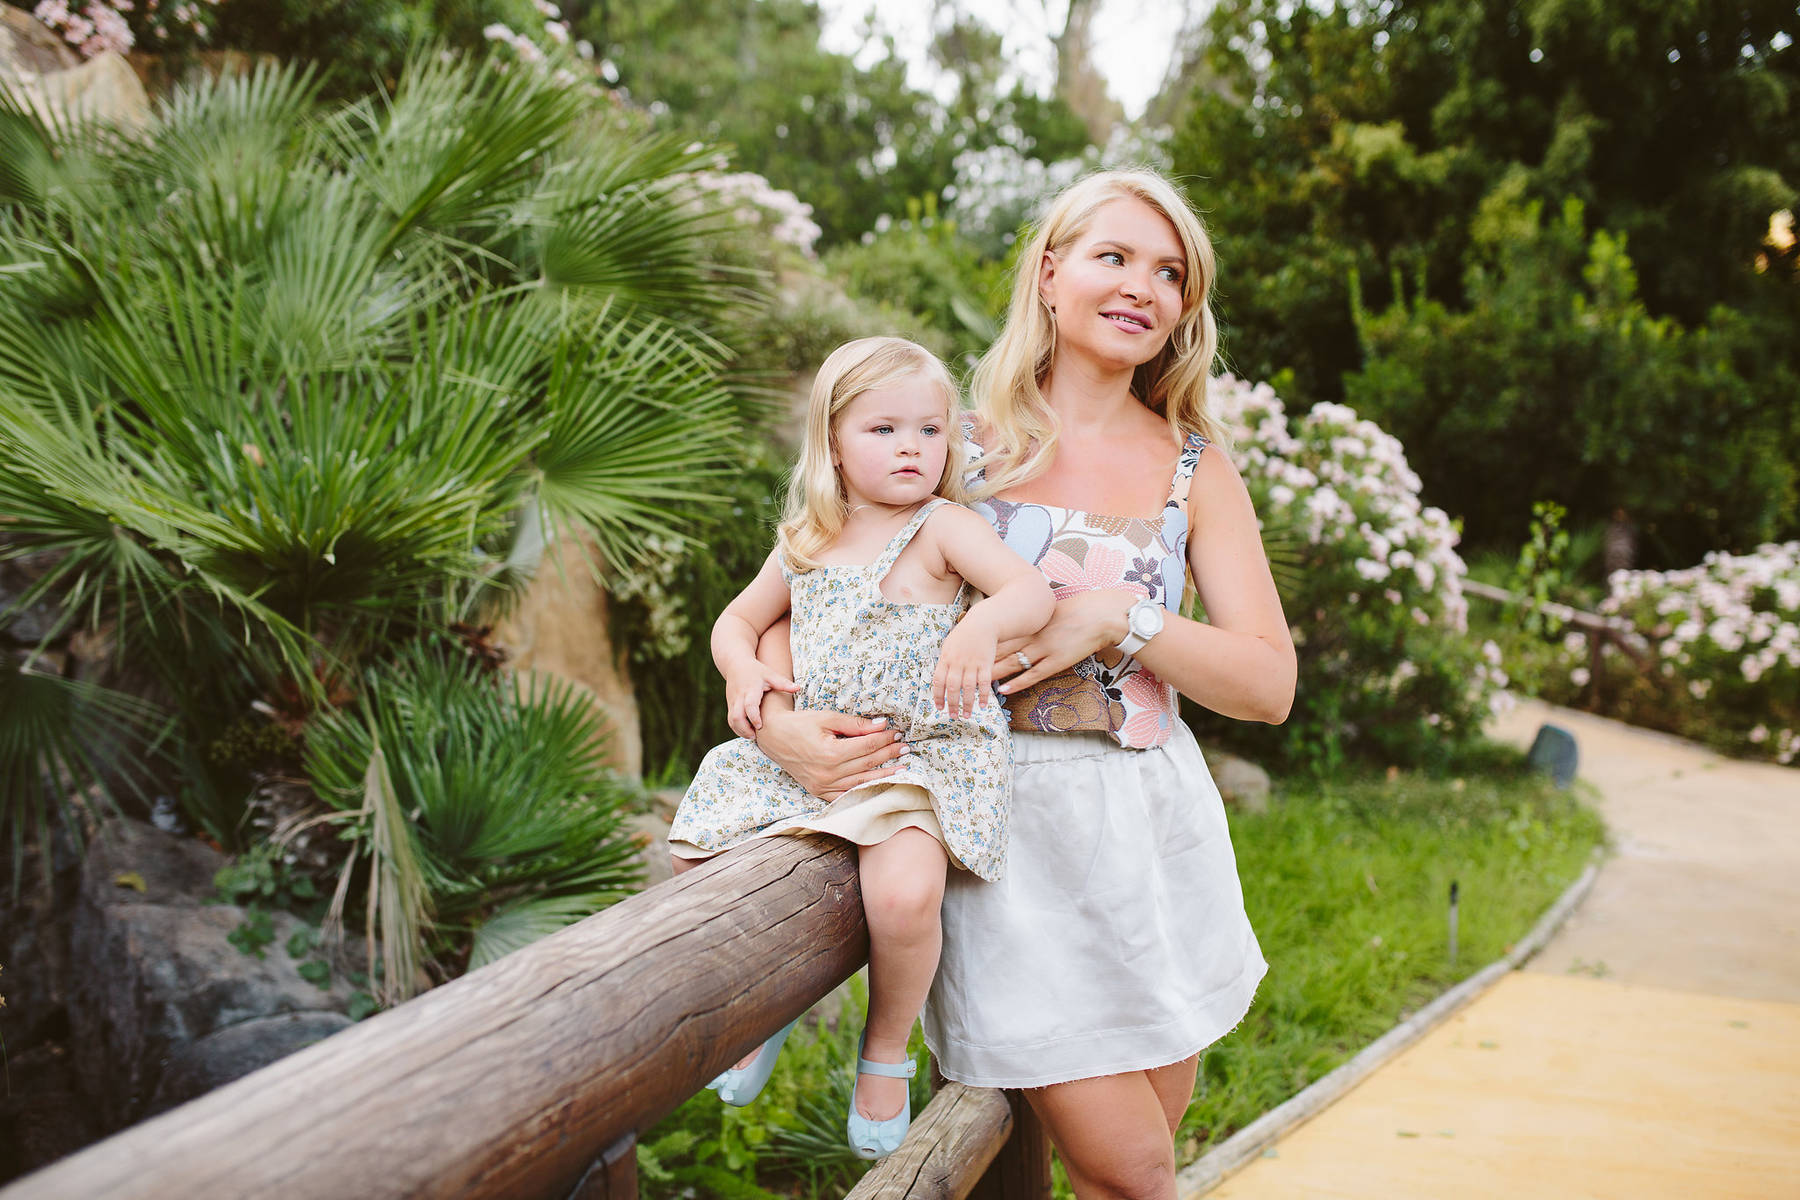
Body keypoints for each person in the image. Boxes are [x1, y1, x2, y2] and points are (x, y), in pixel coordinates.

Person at [753, 170, 1295, 1198]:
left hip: (1152, 833)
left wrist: (1120, 617)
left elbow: (1268, 685)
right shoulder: (946, 446)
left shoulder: (1194, 466)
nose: (1144, 285)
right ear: (1049, 273)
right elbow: (798, 594)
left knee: (1113, 1179)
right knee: (1138, 1176)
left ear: (1186, 306)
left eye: (1170, 271)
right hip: (1004, 841)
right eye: (1114, 257)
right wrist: (780, 721)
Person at [666, 336, 1055, 1160]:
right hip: (814, 756)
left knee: (905, 893)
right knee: (697, 857)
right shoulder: (808, 538)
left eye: (929, 430)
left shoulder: (942, 526)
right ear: (833, 446)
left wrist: (979, 623)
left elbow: (1028, 592)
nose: (910, 446)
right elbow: (735, 622)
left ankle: (884, 1052)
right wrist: (746, 677)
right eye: (882, 430)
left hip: (915, 756)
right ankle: (761, 1015)